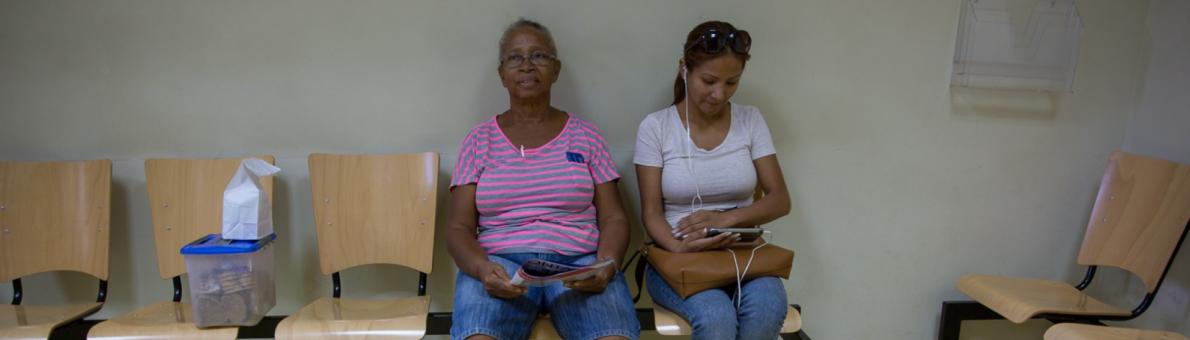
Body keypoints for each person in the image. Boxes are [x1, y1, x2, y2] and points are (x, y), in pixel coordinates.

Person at [446, 19, 639, 340]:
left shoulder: (586, 136)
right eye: (515, 58)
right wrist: (482, 269)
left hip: (579, 264)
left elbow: (614, 217)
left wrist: (606, 264)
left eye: (539, 56)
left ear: (556, 69)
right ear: (502, 74)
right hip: (500, 264)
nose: (526, 66)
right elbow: (458, 228)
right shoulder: (478, 141)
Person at [634, 20, 792, 340]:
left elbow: (779, 199)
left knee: (766, 310)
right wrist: (679, 246)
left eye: (731, 82)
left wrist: (724, 219)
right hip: (679, 255)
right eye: (708, 80)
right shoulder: (656, 128)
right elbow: (650, 213)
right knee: (716, 319)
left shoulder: (750, 120)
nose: (719, 94)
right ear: (684, 70)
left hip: (744, 253)